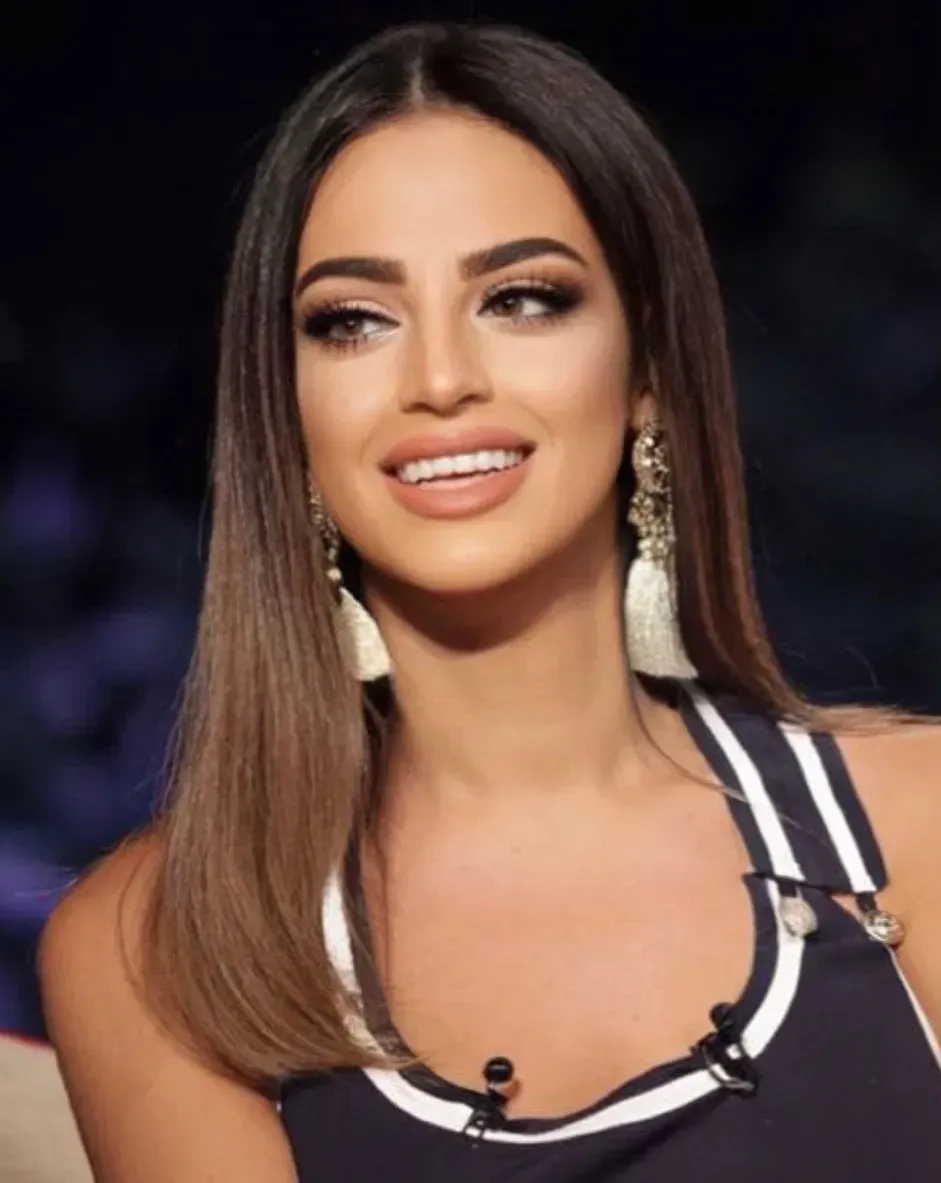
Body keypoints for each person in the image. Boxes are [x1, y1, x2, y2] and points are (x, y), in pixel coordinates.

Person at [38, 19, 941, 1183]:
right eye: (352, 321)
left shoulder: (913, 828)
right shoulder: (163, 946)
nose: (440, 380)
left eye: (521, 298)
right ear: (288, 414)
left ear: (648, 376)